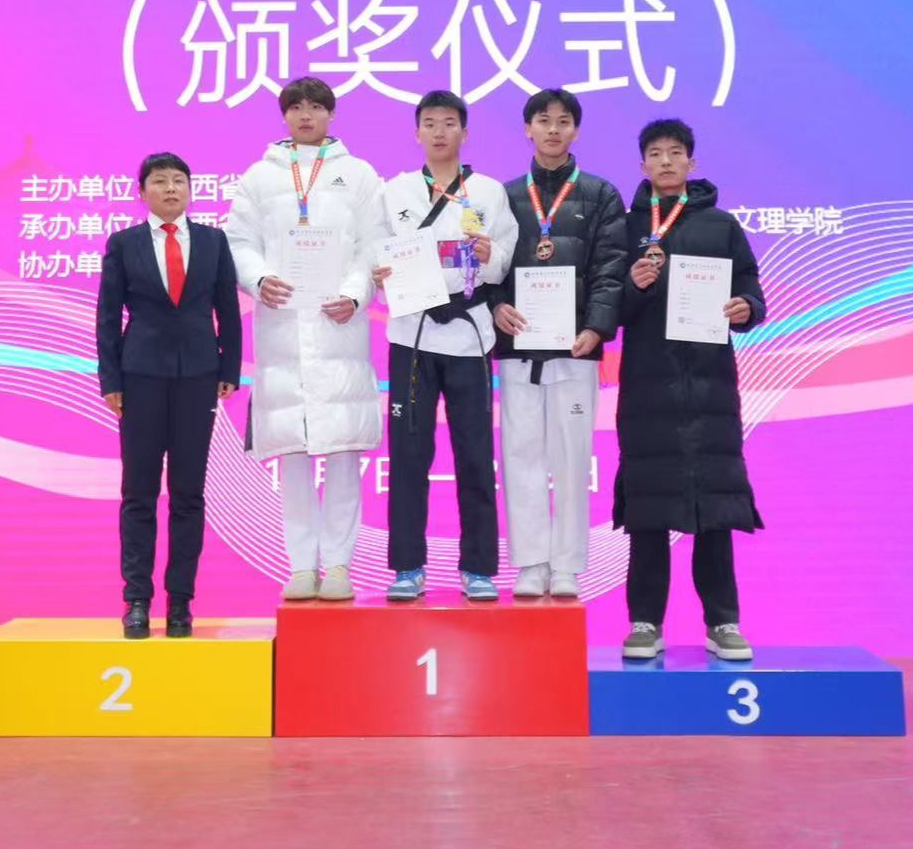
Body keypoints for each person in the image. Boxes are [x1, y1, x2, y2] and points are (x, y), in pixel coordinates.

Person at [225, 77, 385, 603]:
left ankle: (338, 565)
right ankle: (300, 565)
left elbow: (374, 245)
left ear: (331, 115)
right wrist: (258, 279)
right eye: (296, 107)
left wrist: (356, 294)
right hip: (283, 329)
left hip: (339, 325)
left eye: (316, 107)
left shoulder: (359, 175)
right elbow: (238, 241)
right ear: (284, 115)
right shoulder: (259, 177)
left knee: (342, 455)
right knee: (293, 456)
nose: (306, 115)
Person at [615, 119, 765, 662]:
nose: (666, 162)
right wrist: (633, 286)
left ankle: (723, 622)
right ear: (642, 165)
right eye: (655, 154)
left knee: (714, 513)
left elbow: (750, 288)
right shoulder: (626, 226)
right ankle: (644, 622)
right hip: (646, 387)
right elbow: (606, 304)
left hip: (710, 388)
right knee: (647, 514)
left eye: (675, 153)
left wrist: (747, 308)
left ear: (691, 163)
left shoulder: (721, 225)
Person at [372, 90, 518, 602]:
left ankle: (478, 568)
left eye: (449, 123)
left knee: (475, 454)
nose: (439, 132)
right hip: (411, 334)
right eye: (430, 123)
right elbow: (374, 250)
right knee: (408, 454)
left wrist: (490, 254)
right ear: (417, 133)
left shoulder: (489, 192)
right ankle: (407, 566)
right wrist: (378, 271)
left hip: (469, 333)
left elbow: (505, 256)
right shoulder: (394, 192)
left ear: (465, 132)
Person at [96, 152, 242, 639]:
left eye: (179, 180)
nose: (171, 189)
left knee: (188, 493)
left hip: (199, 376)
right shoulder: (124, 244)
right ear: (143, 193)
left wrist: (229, 367)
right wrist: (111, 380)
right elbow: (107, 316)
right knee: (138, 492)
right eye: (160, 181)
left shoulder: (213, 241)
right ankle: (136, 600)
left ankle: (181, 602)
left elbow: (227, 309)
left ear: (190, 189)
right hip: (139, 377)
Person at [491, 88, 626, 599]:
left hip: (576, 349)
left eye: (563, 121)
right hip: (519, 348)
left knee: (572, 459)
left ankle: (567, 565)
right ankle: (530, 562)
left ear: (576, 130)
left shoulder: (600, 194)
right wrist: (496, 306)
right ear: (527, 128)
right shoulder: (503, 196)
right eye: (543, 120)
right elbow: (489, 266)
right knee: (520, 455)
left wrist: (597, 328)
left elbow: (611, 268)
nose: (553, 129)